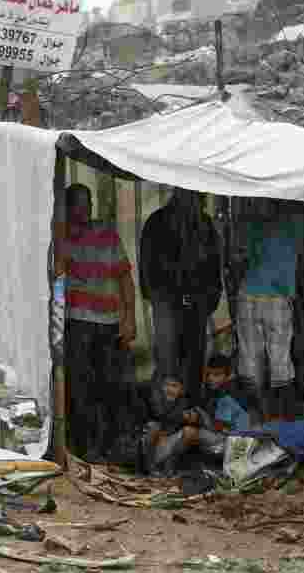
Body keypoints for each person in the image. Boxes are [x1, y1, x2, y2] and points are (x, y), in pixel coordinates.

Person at [61, 183, 137, 462]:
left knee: (110, 386)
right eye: (79, 204)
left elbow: (125, 278)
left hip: (108, 323)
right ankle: (85, 447)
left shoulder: (108, 235)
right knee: (81, 387)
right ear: (68, 207)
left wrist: (129, 318)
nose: (85, 209)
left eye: (88, 203)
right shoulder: (61, 235)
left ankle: (109, 446)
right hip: (77, 322)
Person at [139, 188, 223, 406]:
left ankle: (190, 409)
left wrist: (211, 296)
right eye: (196, 195)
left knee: (192, 357)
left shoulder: (203, 223)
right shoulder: (158, 222)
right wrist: (155, 295)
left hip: (193, 301)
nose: (200, 200)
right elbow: (147, 264)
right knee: (169, 360)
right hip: (169, 300)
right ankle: (169, 412)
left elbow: (214, 263)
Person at [230, 207, 304, 423]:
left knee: (249, 357)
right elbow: (303, 256)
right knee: (280, 359)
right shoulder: (298, 218)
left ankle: (258, 416)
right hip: (277, 296)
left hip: (248, 293)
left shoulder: (251, 219)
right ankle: (284, 418)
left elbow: (239, 258)